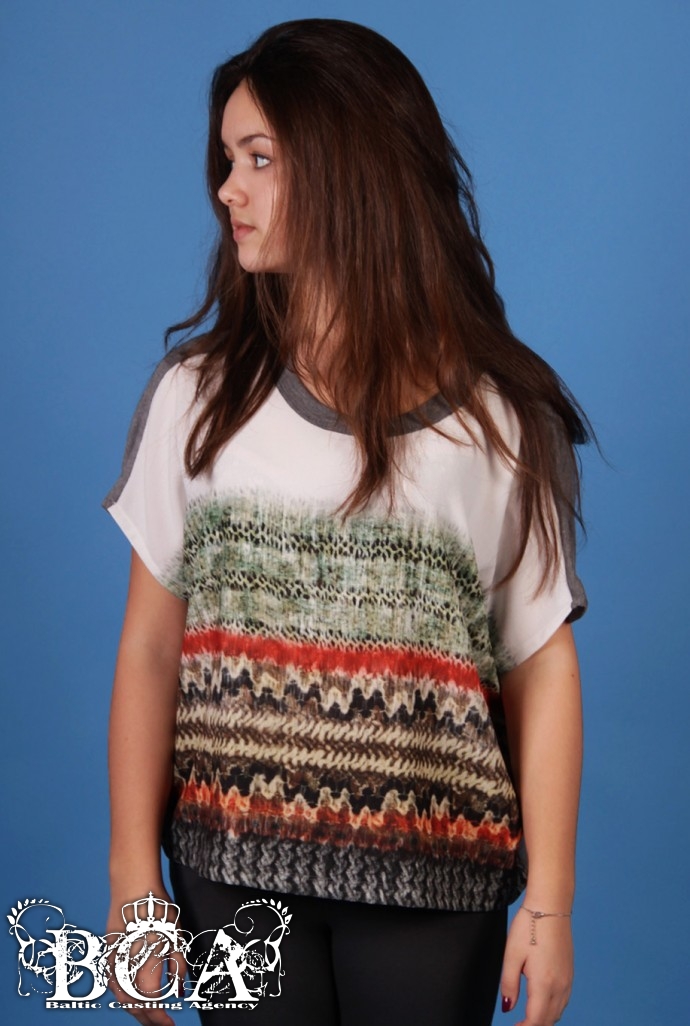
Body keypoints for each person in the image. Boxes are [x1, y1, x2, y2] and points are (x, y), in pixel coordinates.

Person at [103, 18, 590, 1026]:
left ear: (347, 169)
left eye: (259, 158)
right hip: (229, 873)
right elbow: (151, 648)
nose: (226, 190)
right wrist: (132, 880)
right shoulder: (197, 400)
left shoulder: (499, 421)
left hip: (434, 887)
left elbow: (541, 665)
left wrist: (550, 905)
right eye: (227, 160)